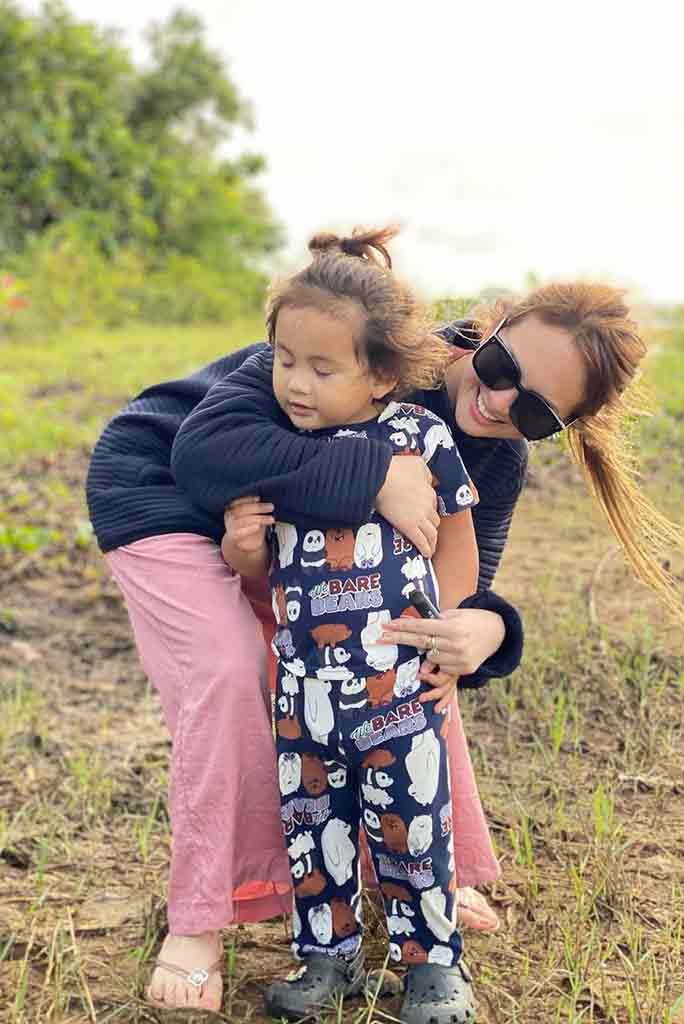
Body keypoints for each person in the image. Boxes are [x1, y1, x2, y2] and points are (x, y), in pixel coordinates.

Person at [86, 236, 523, 1012]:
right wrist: (369, 479)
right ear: (479, 341)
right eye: (500, 373)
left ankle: (434, 879)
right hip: (164, 489)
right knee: (229, 670)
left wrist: (471, 631)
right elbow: (213, 461)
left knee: (417, 661)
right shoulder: (311, 367)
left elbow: (457, 576)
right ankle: (201, 920)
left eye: (543, 411)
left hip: (290, 549)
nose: (502, 403)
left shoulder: (423, 425)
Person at [220, 227, 485, 1022]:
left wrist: (450, 641)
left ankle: (432, 964)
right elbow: (266, 575)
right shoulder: (279, 446)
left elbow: (459, 552)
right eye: (285, 361)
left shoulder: (420, 438)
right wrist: (242, 552)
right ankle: (324, 956)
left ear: (379, 377)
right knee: (313, 824)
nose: (295, 383)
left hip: (397, 685)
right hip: (303, 689)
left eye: (321, 368)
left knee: (411, 825)